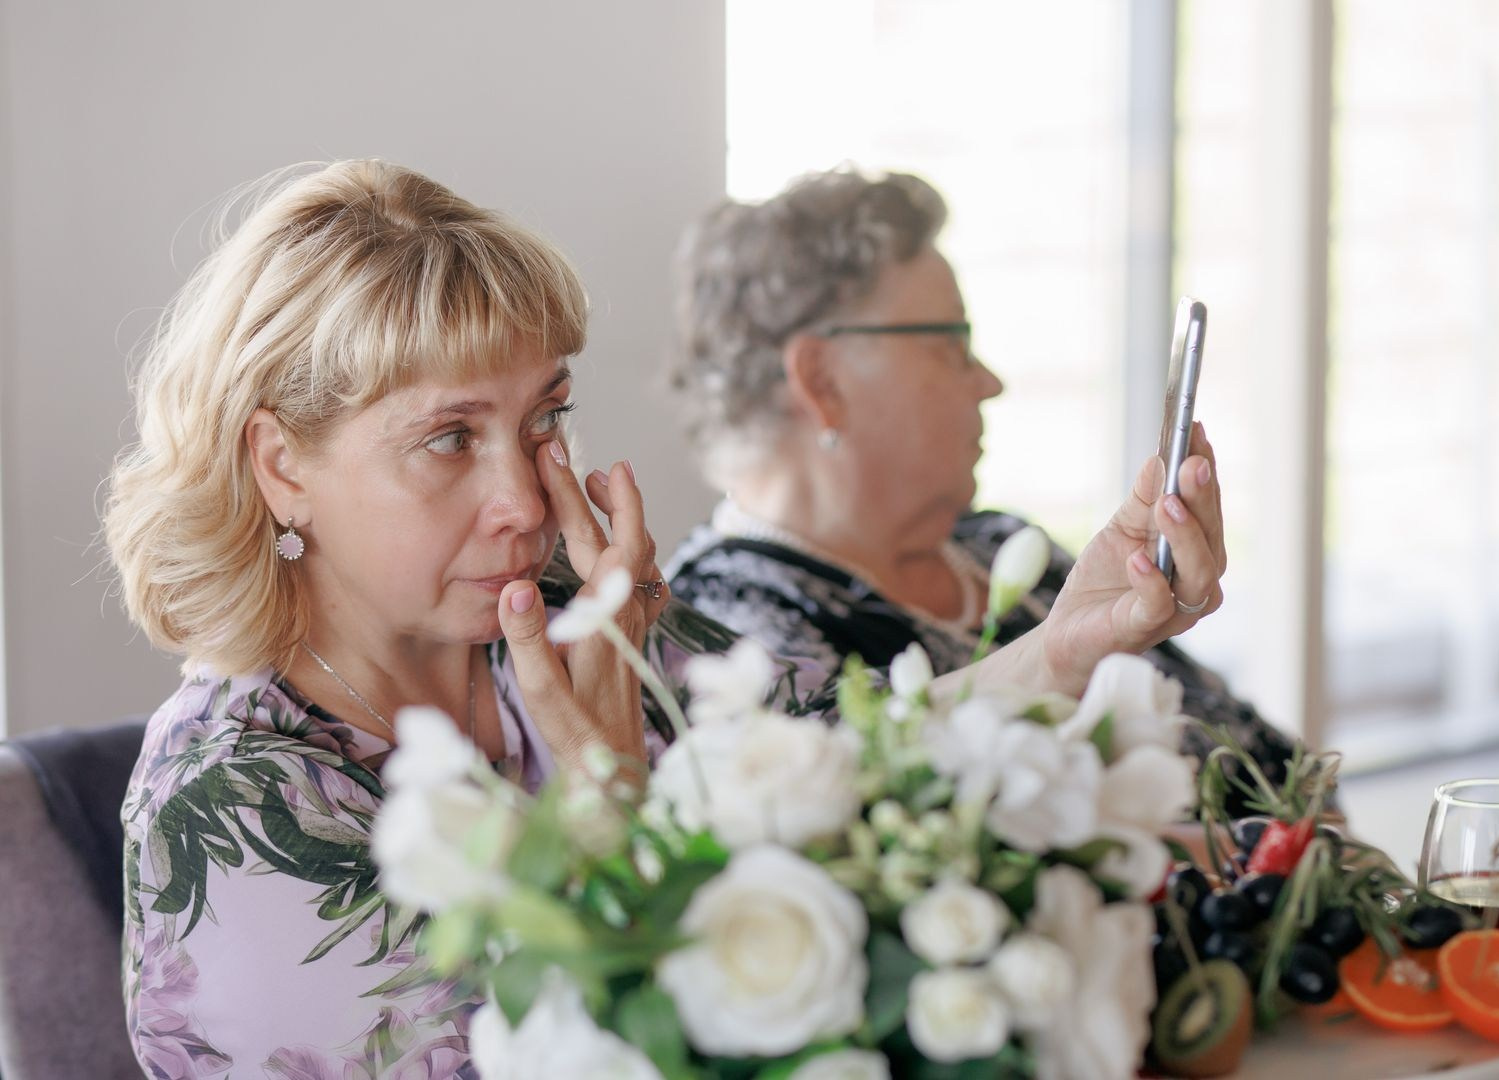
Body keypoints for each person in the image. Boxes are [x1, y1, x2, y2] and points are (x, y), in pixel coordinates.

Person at [103, 161, 1227, 1076]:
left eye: (543, 421)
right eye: (450, 438)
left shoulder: (557, 625)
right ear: (281, 464)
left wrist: (1070, 640)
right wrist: (610, 794)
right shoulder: (230, 807)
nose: (523, 498)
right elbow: (614, 1051)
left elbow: (862, 760)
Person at [665, 167, 1299, 802]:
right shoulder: (718, 616)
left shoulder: (1001, 546)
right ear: (822, 380)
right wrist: (1054, 656)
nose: (989, 382)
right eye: (952, 342)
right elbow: (836, 784)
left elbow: (1277, 768)